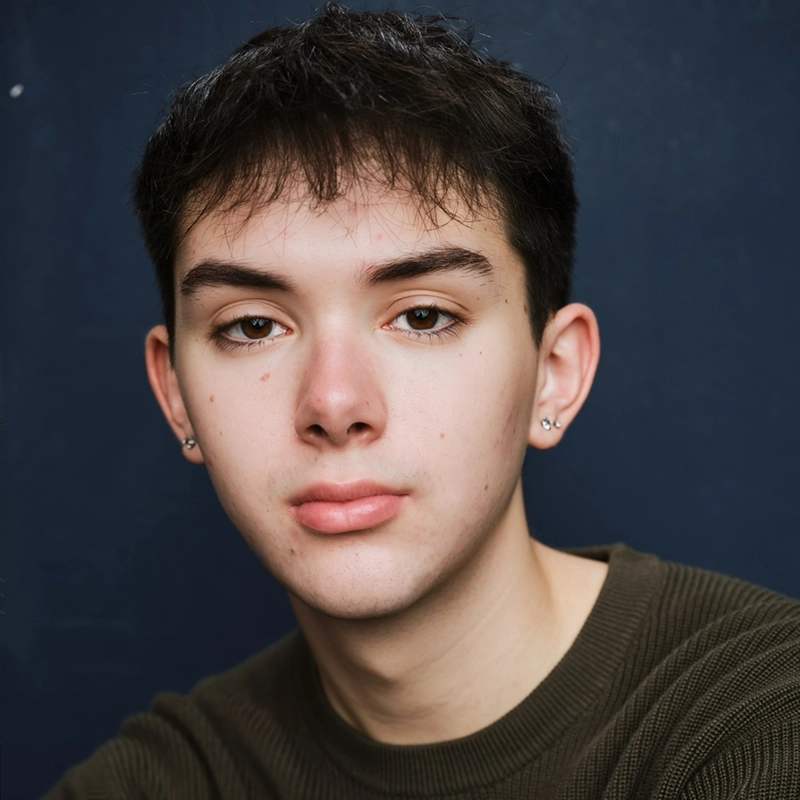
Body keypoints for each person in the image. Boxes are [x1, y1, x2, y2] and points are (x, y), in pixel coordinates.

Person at [44, 4, 800, 797]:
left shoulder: (757, 722)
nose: (334, 404)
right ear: (176, 397)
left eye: (425, 316)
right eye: (254, 325)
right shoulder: (160, 782)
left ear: (556, 372)